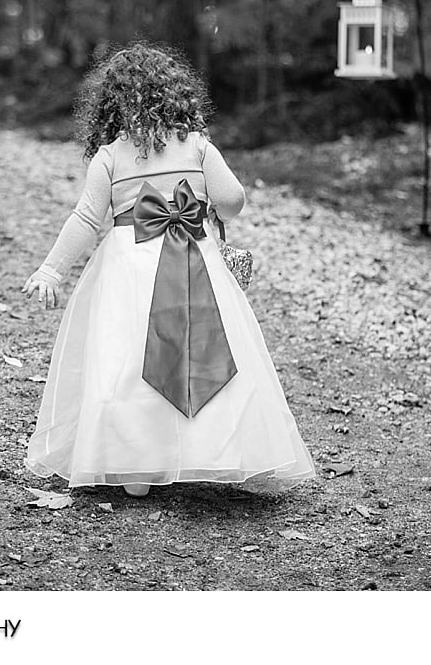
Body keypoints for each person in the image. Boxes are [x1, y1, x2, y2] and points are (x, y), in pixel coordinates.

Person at [22, 42, 316, 497]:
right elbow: (232, 199)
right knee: (204, 346)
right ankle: (214, 450)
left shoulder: (110, 156)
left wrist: (52, 270)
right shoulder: (197, 145)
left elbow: (86, 218)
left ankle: (136, 462)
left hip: (129, 268)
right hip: (197, 260)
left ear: (111, 104)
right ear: (174, 95)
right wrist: (212, 205)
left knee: (129, 358)